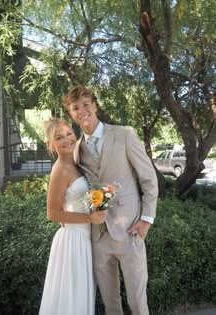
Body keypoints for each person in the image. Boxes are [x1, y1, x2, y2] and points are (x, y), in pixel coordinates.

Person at [62, 86, 158, 315]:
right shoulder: (76, 151)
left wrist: (146, 219)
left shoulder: (124, 134)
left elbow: (149, 179)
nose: (82, 111)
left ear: (95, 106)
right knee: (110, 304)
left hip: (130, 230)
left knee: (137, 301)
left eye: (86, 104)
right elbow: (75, 189)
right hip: (98, 237)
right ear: (71, 115)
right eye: (76, 108)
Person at [39, 118, 107, 315]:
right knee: (70, 298)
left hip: (85, 239)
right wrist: (89, 219)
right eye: (59, 137)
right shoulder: (59, 170)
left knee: (80, 295)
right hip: (72, 240)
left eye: (68, 133)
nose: (67, 139)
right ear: (51, 144)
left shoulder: (77, 162)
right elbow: (52, 213)